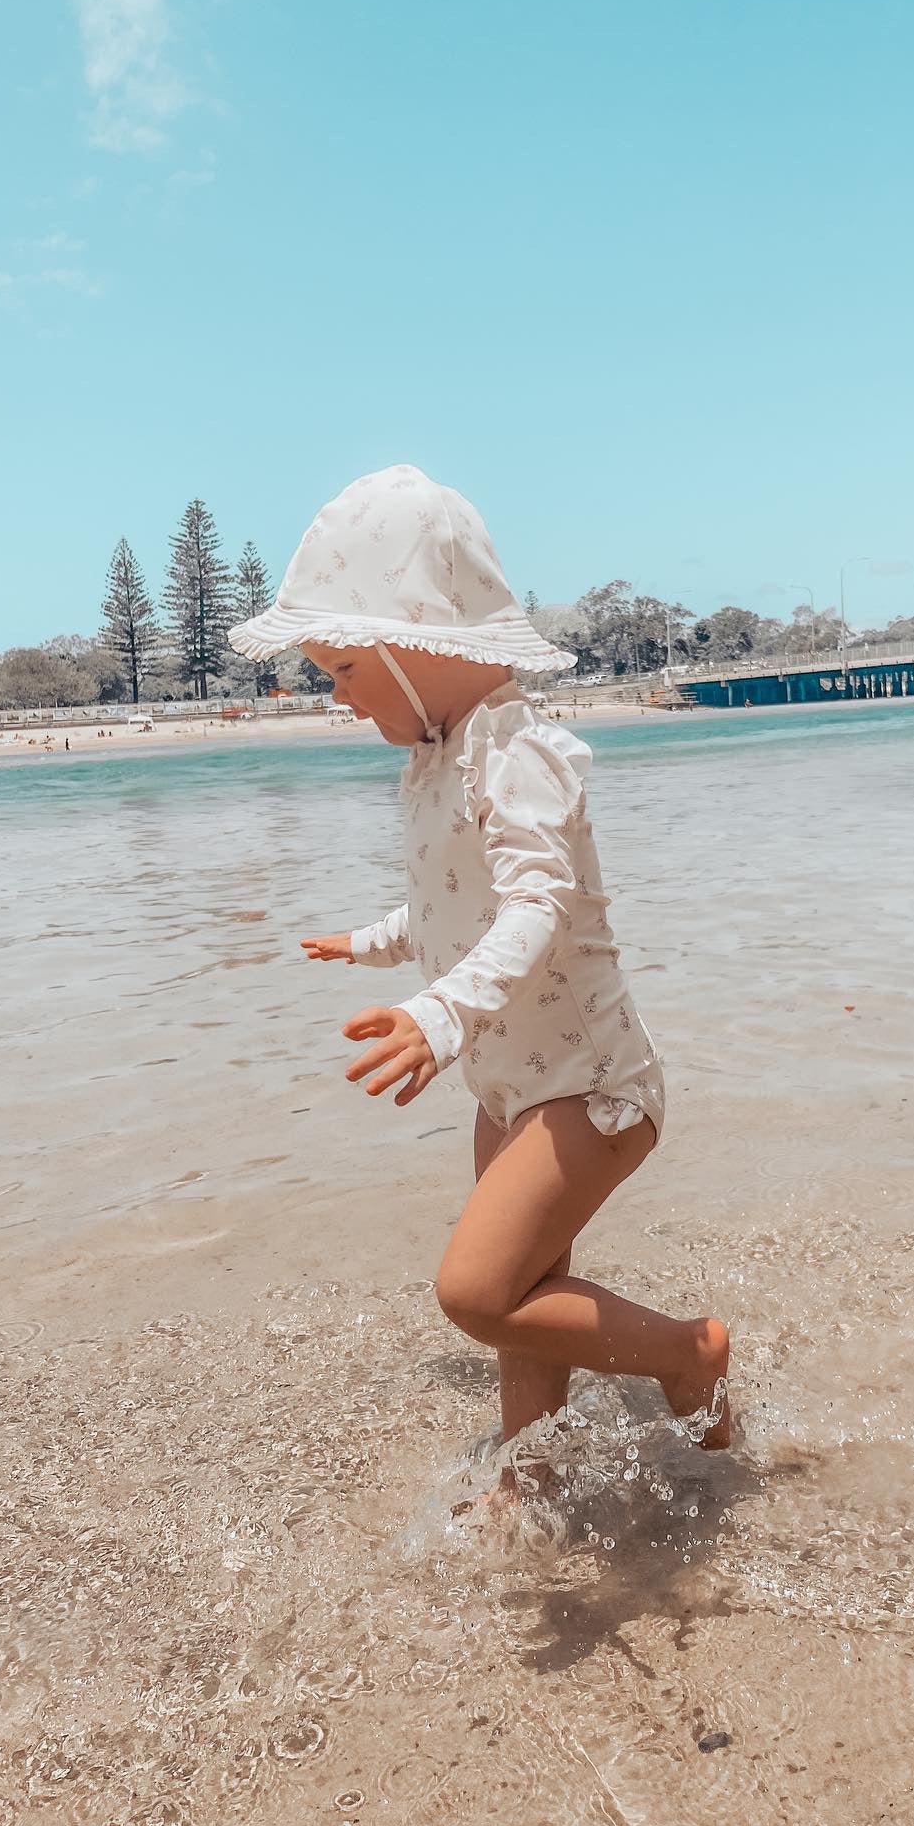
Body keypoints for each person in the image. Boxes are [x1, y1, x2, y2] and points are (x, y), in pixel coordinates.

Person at [227, 465, 729, 1503]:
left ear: (420, 643)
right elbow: (453, 905)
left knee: (476, 1291)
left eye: (345, 665)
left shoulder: (518, 749)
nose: (336, 692)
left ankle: (687, 1352)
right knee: (527, 1290)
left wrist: (439, 1014)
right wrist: (371, 943)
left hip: (592, 1085)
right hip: (512, 1085)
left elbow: (536, 907)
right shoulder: (440, 756)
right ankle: (529, 1475)